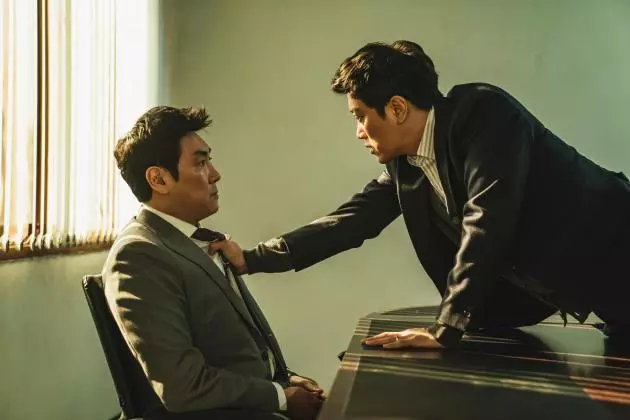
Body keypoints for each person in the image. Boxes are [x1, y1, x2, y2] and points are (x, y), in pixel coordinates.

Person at [211, 40, 630, 350]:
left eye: (360, 116)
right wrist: (252, 258)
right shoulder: (407, 167)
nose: (358, 132)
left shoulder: (484, 112)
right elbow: (350, 221)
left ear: (396, 108)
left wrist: (446, 328)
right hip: (601, 294)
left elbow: (487, 218)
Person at [102, 106, 323, 420]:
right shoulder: (139, 255)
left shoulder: (196, 243)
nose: (215, 174)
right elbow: (183, 386)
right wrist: (279, 398)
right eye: (201, 162)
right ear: (159, 179)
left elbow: (235, 356)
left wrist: (284, 382)